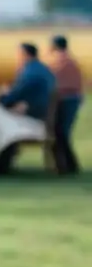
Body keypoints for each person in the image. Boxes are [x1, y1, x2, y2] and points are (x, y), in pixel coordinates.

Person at [0, 43, 57, 174]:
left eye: (19, 54)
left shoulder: (31, 72)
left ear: (25, 55)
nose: (17, 58)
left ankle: (0, 165)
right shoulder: (42, 69)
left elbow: (16, 94)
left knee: (1, 120)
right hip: (40, 114)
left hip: (34, 117)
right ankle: (2, 162)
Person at [48, 35, 83, 174]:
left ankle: (67, 165)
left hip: (65, 100)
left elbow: (55, 84)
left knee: (60, 132)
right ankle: (67, 164)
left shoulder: (60, 62)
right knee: (62, 132)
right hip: (72, 99)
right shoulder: (72, 61)